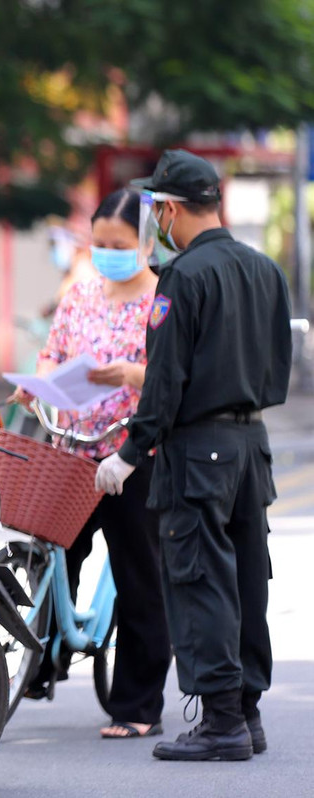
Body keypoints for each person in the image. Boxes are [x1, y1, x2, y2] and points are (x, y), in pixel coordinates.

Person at [98, 149, 292, 761]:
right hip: (251, 445)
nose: (158, 220)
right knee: (245, 581)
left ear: (172, 209)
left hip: (197, 449)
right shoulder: (265, 269)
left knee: (201, 578)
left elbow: (164, 377)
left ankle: (222, 723)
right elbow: (279, 367)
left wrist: (129, 452)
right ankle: (247, 714)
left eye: (158, 208)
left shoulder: (182, 276)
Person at [13, 188, 172, 739]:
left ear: (146, 242)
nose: (107, 253)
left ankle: (138, 704)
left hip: (135, 455)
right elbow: (53, 352)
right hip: (73, 450)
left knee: (140, 577)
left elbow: (178, 381)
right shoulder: (80, 295)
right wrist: (40, 384)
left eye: (119, 244)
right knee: (51, 559)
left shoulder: (165, 302)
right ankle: (41, 665)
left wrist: (129, 375)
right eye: (99, 243)